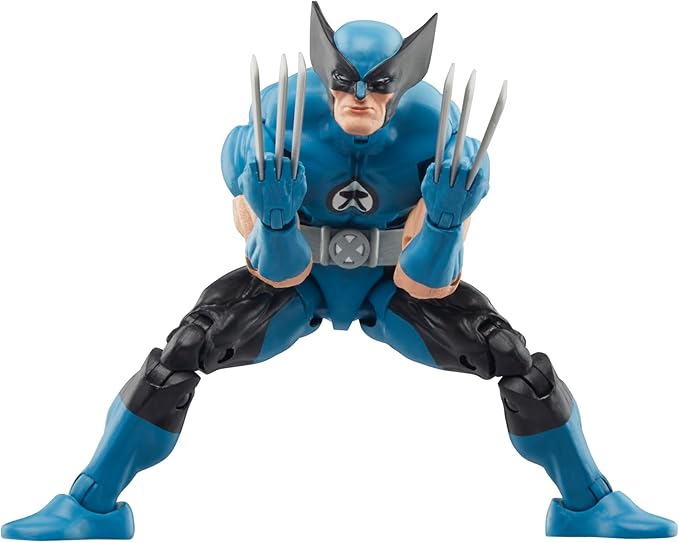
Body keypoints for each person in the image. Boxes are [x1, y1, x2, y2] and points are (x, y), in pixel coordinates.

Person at [2, 2, 676, 540]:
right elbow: (270, 271)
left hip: (394, 281)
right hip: (296, 278)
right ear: (323, 77)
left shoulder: (440, 134)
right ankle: (91, 506)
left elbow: (427, 284)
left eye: (377, 84)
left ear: (401, 83)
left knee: (512, 358)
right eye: (345, 82)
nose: (359, 97)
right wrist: (273, 221)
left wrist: (443, 222)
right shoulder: (272, 124)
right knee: (183, 351)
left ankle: (587, 505)